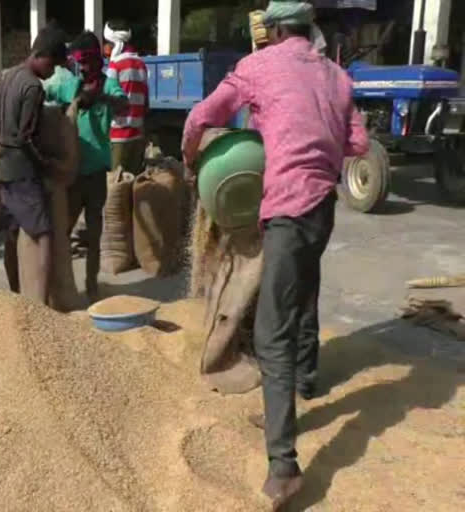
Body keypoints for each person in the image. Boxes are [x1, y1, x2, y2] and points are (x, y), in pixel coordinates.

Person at [181, 1, 369, 508]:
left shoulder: (258, 66)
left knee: (272, 331)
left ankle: (283, 466)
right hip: (323, 207)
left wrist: (190, 153)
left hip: (286, 207)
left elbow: (204, 114)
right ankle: (301, 384)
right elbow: (358, 142)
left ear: (275, 30)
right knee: (303, 285)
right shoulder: (335, 75)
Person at [44, 31, 128, 301]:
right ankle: (61, 286)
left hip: (94, 175)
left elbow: (124, 106)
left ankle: (92, 286)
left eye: (88, 62)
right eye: (79, 63)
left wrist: (100, 97)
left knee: (94, 235)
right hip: (70, 174)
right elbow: (43, 93)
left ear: (98, 61)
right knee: (63, 230)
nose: (83, 67)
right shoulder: (70, 85)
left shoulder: (109, 85)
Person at [0, 24, 68, 304]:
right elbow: (26, 137)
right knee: (43, 234)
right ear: (42, 55)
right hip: (23, 171)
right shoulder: (33, 87)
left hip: (3, 167)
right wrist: (47, 164)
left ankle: (15, 297)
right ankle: (41, 309)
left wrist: (3, 141)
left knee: (11, 236)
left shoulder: (7, 76)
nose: (54, 71)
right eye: (54, 64)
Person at [104, 20, 149, 174]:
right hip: (137, 134)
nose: (105, 48)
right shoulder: (141, 63)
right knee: (134, 185)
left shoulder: (115, 64)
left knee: (117, 184)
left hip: (119, 135)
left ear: (114, 43)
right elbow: (146, 102)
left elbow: (109, 98)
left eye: (106, 43)